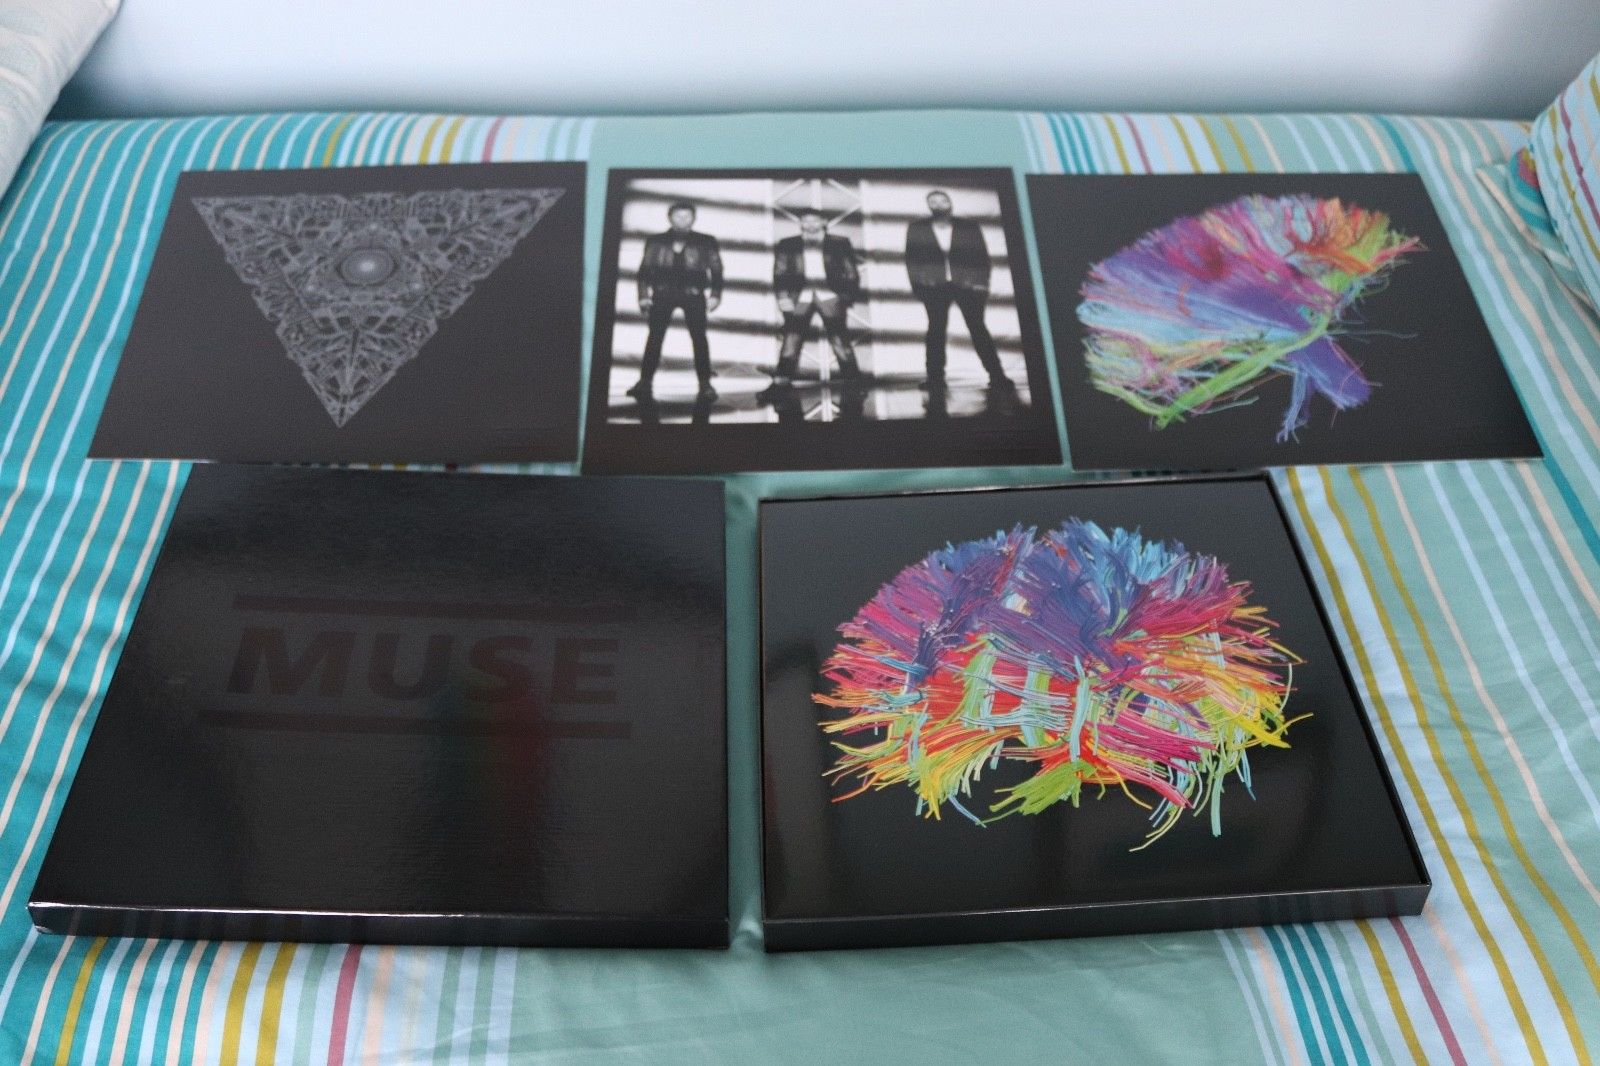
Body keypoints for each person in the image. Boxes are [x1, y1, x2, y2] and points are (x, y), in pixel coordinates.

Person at [904, 190, 1013, 391]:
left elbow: (982, 257)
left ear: (950, 203)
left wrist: (982, 284)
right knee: (936, 331)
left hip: (968, 286)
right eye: (933, 202)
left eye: (943, 200)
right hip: (934, 287)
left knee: (978, 329)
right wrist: (919, 287)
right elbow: (911, 259)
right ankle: (935, 379)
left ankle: (997, 376)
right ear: (928, 206)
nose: (938, 204)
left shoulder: (969, 227)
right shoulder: (917, 228)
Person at [629, 201, 723, 402]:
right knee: (655, 338)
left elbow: (717, 270)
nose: (683, 220)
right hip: (662, 294)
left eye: (687, 216)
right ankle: (644, 383)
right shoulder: (655, 240)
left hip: (693, 295)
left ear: (694, 218)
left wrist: (715, 294)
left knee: (699, 339)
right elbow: (644, 270)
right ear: (670, 218)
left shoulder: (706, 241)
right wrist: (643, 296)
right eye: (678, 216)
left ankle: (705, 385)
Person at [766, 209, 862, 388]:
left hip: (831, 297)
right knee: (791, 340)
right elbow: (779, 272)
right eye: (805, 221)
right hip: (799, 297)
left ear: (823, 222)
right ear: (800, 224)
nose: (810, 225)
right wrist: (783, 297)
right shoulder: (788, 244)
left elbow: (851, 272)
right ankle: (781, 383)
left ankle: (853, 382)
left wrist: (845, 296)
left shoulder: (840, 243)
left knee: (840, 340)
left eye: (814, 221)